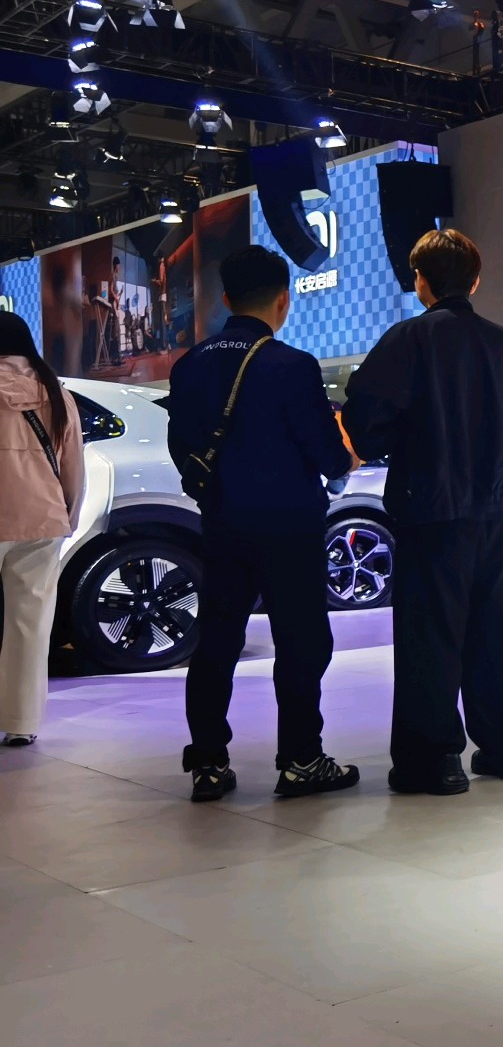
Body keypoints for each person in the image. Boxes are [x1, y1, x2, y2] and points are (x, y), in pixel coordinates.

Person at [342, 229, 503, 796]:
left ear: (419, 282)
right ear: (475, 281)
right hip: (497, 514)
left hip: (430, 512)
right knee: (498, 634)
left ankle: (434, 761)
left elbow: (364, 420)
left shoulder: (407, 339)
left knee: (430, 638)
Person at [167, 246, 359, 802]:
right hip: (291, 527)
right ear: (283, 300)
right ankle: (301, 759)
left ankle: (208, 763)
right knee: (301, 641)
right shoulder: (292, 365)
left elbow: (182, 448)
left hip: (222, 523)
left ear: (227, 299)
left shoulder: (189, 364)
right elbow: (326, 453)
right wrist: (344, 461)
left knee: (217, 640)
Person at [0, 313, 85, 749]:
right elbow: (72, 464)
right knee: (30, 623)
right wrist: (68, 514)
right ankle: (21, 721)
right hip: (42, 518)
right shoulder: (55, 392)